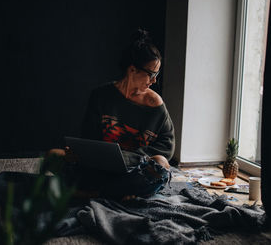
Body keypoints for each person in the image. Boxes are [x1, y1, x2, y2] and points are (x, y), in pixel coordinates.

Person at [46, 29, 175, 200]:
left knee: (160, 166)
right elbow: (89, 139)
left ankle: (93, 194)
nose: (154, 80)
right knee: (53, 155)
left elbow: (166, 148)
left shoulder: (156, 106)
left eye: (157, 74)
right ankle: (119, 193)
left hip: (133, 171)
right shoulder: (101, 96)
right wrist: (77, 153)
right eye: (151, 74)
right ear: (132, 70)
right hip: (99, 169)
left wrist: (128, 159)